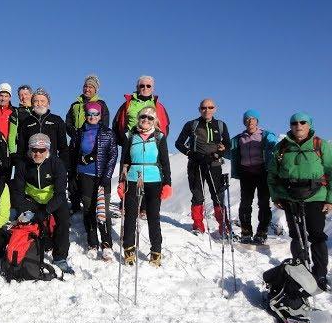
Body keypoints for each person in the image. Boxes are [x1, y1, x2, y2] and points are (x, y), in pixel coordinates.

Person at [267, 112, 332, 291]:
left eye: (303, 122)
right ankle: (300, 271)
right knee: (296, 236)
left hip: (316, 196)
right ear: (290, 126)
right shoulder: (282, 147)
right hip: (290, 197)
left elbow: (331, 171)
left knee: (317, 235)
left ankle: (319, 274)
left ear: (309, 125)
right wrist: (276, 196)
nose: (298, 125)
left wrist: (330, 199)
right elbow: (272, 175)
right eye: (294, 123)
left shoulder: (321, 145)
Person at [11, 133, 74, 274]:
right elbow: (18, 192)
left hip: (54, 200)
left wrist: (46, 211)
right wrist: (24, 209)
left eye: (42, 150)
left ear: (48, 150)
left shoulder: (57, 164)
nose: (38, 154)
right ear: (29, 150)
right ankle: (33, 246)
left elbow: (60, 194)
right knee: (24, 219)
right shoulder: (23, 164)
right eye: (34, 150)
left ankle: (60, 257)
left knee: (63, 221)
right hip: (32, 200)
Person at [118, 107, 172, 267]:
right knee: (130, 215)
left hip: (154, 180)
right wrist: (122, 181)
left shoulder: (159, 137)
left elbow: (165, 162)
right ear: (138, 118)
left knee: (153, 217)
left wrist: (167, 183)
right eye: (143, 117)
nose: (146, 120)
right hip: (133, 178)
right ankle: (128, 249)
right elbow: (125, 160)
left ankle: (156, 251)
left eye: (149, 118)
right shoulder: (130, 136)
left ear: (154, 120)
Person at [175, 99, 231, 235]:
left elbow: (228, 145)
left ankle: (224, 227)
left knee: (217, 196)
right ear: (199, 109)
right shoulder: (192, 125)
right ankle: (198, 225)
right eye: (204, 107)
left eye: (210, 107)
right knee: (197, 195)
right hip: (196, 164)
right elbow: (179, 143)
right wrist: (191, 154)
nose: (207, 110)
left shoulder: (221, 125)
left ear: (215, 109)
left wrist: (219, 153)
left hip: (214, 164)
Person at [69, 101, 117, 261]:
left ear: (100, 115)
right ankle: (92, 242)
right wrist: (73, 175)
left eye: (95, 114)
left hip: (102, 176)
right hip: (84, 175)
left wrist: (107, 175)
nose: (92, 116)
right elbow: (73, 154)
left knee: (104, 211)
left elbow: (113, 155)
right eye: (89, 114)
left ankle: (107, 243)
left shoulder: (107, 133)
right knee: (89, 209)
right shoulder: (79, 132)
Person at [228, 109, 277, 244]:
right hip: (246, 174)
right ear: (244, 122)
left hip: (262, 172)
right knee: (245, 203)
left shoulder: (265, 135)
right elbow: (230, 153)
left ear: (257, 121)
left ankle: (262, 232)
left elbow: (273, 146)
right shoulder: (239, 138)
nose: (250, 121)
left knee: (263, 203)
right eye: (247, 119)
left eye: (253, 119)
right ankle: (246, 232)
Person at [65, 73, 110, 214]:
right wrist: (74, 132)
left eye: (91, 87)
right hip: (76, 143)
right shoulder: (75, 104)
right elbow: (68, 121)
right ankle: (75, 203)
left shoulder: (101, 104)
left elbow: (105, 123)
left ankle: (93, 203)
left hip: (93, 143)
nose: (87, 89)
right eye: (86, 86)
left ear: (96, 89)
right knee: (73, 172)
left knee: (90, 173)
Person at [16, 87, 69, 171]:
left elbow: (63, 148)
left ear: (48, 103)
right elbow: (21, 149)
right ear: (32, 103)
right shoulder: (26, 122)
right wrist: (20, 168)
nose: (39, 104)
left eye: (42, 101)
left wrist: (64, 168)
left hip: (51, 166)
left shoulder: (57, 120)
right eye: (36, 101)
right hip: (30, 167)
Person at [112, 74, 170, 148]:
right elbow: (116, 123)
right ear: (137, 88)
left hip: (151, 146)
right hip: (130, 144)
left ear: (152, 89)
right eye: (142, 86)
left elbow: (166, 126)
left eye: (148, 86)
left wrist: (159, 143)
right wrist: (123, 140)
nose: (145, 88)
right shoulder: (128, 104)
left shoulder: (159, 106)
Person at [8, 84, 33, 167]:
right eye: (21, 95)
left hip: (37, 148)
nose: (23, 97)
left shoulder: (38, 110)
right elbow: (11, 136)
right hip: (22, 150)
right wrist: (13, 153)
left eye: (26, 94)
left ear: (31, 95)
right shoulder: (16, 113)